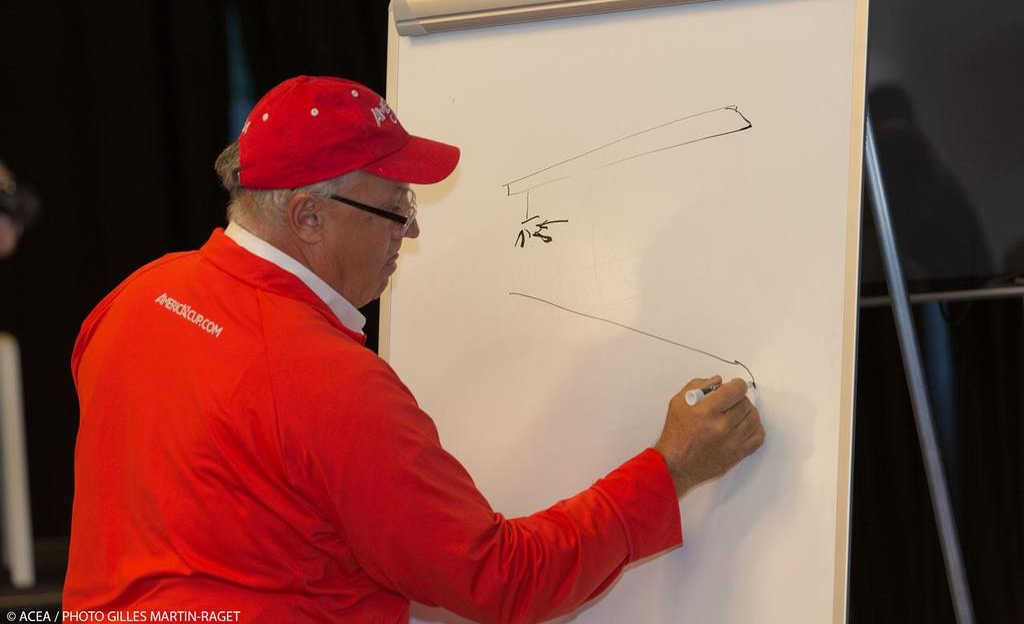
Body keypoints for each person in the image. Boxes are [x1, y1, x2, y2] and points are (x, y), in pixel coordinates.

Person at [64, 75, 764, 622]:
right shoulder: (326, 381)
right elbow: (500, 580)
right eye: (395, 206)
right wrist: (669, 469)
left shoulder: (135, 299)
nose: (411, 231)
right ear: (308, 217)